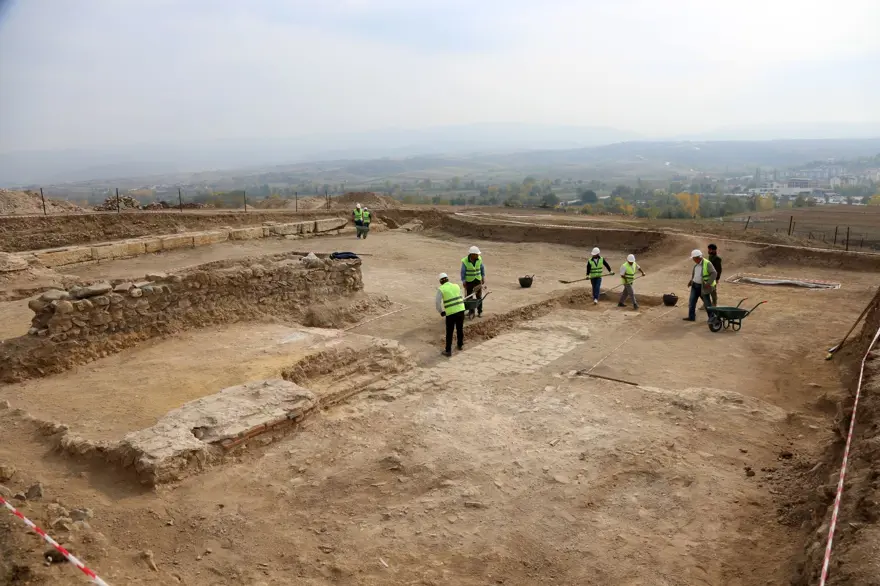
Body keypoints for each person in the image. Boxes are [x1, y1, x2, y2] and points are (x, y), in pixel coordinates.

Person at [684, 249, 718, 322]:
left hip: (703, 287)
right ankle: (691, 317)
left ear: (698, 257)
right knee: (692, 302)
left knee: (707, 303)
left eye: (693, 258)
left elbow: (714, 273)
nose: (693, 260)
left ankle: (712, 318)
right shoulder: (696, 265)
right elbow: (696, 274)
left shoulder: (707, 263)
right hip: (695, 286)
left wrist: (708, 283)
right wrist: (691, 281)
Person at [436, 272, 465, 357]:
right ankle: (460, 345)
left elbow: (437, 303)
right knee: (460, 329)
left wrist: (441, 311)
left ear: (440, 281)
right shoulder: (456, 286)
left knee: (449, 332)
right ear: (448, 279)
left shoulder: (441, 289)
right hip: (461, 310)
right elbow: (461, 297)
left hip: (451, 313)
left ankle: (448, 351)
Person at [461, 246, 486, 318]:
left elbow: (482, 268)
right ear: (472, 254)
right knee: (469, 297)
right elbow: (462, 272)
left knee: (479, 296)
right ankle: (471, 312)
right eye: (477, 254)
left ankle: (480, 311)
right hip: (469, 281)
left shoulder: (479, 259)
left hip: (477, 280)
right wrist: (463, 280)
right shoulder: (465, 261)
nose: (478, 255)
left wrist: (483, 277)